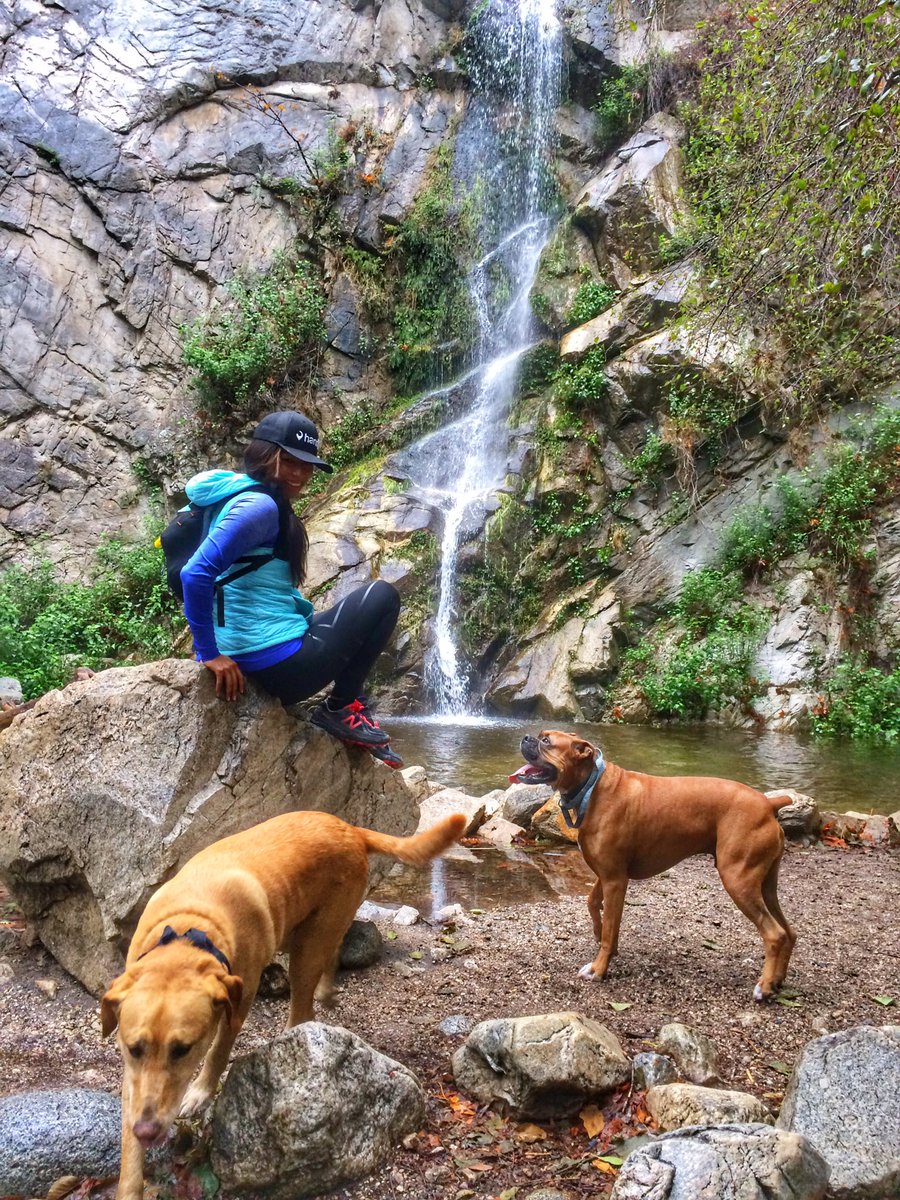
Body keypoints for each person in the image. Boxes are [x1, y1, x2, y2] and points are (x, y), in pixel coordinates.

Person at [179, 410, 403, 766]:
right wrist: (209, 654)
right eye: (290, 462)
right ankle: (340, 709)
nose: (300, 474)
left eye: (307, 465)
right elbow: (195, 574)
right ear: (264, 455)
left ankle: (349, 708)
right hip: (273, 666)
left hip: (253, 649)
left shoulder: (236, 493)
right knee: (382, 597)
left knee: (340, 614)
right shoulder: (260, 507)